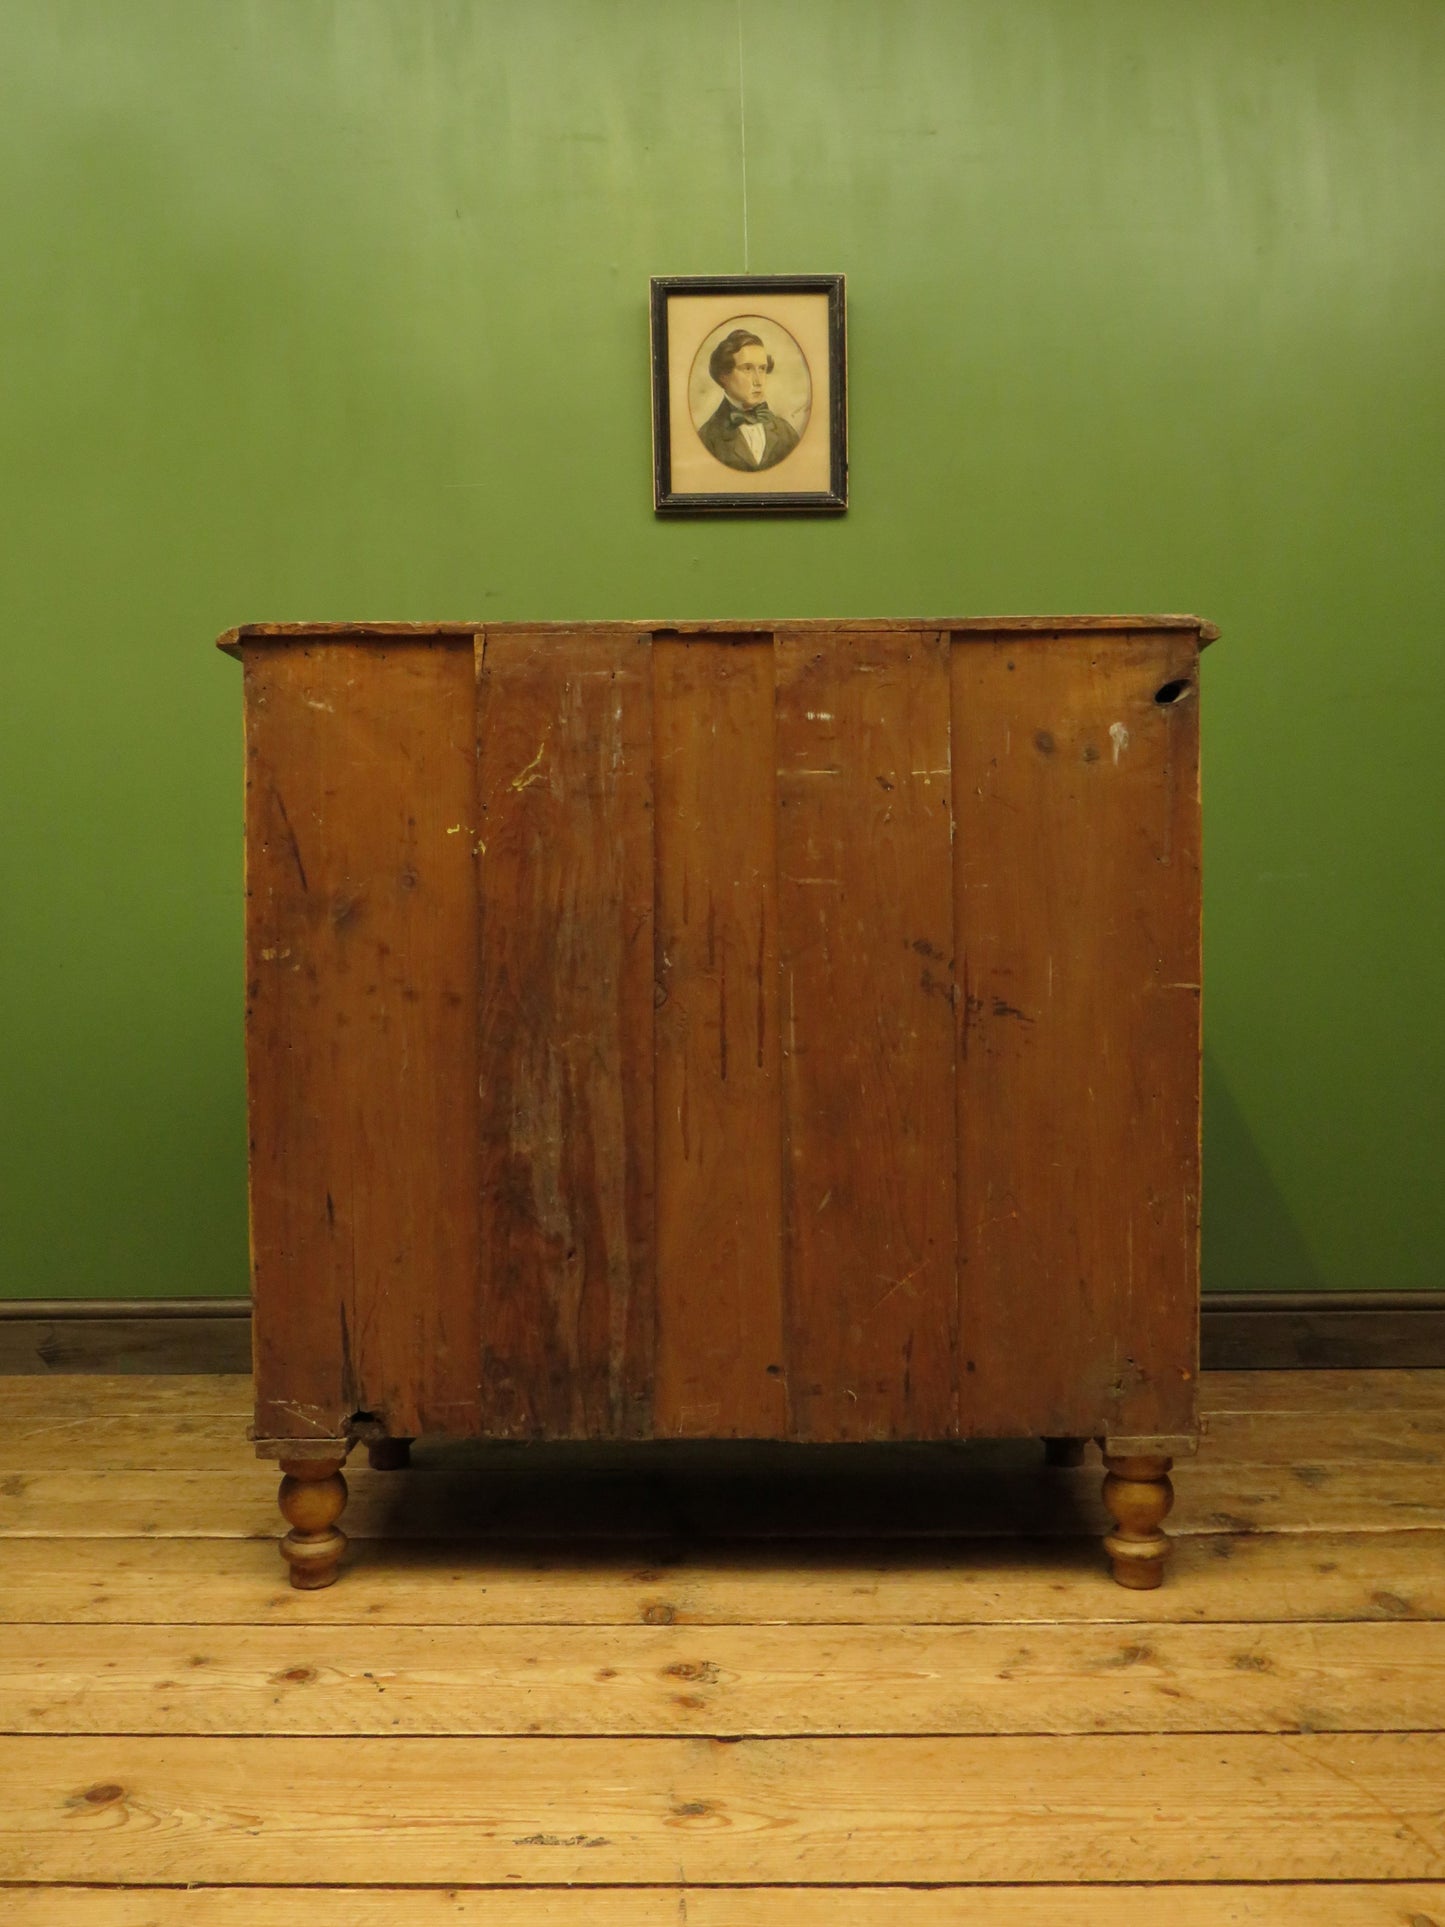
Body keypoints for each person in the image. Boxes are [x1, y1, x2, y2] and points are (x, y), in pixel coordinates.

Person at [697, 328, 801, 472]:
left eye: (763, 369)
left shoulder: (786, 433)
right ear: (724, 376)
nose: (758, 381)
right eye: (747, 369)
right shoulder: (707, 438)